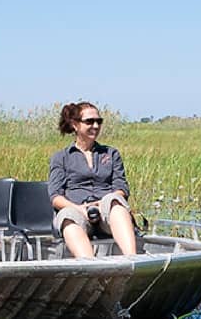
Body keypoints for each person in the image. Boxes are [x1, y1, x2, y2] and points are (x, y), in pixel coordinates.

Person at [47, 102, 139, 258]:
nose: (95, 126)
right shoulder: (61, 157)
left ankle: (132, 260)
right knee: (67, 216)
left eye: (99, 121)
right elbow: (56, 197)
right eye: (89, 121)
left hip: (106, 213)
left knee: (115, 201)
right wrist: (80, 209)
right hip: (78, 211)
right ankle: (90, 265)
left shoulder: (111, 154)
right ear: (75, 125)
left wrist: (102, 203)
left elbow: (121, 187)